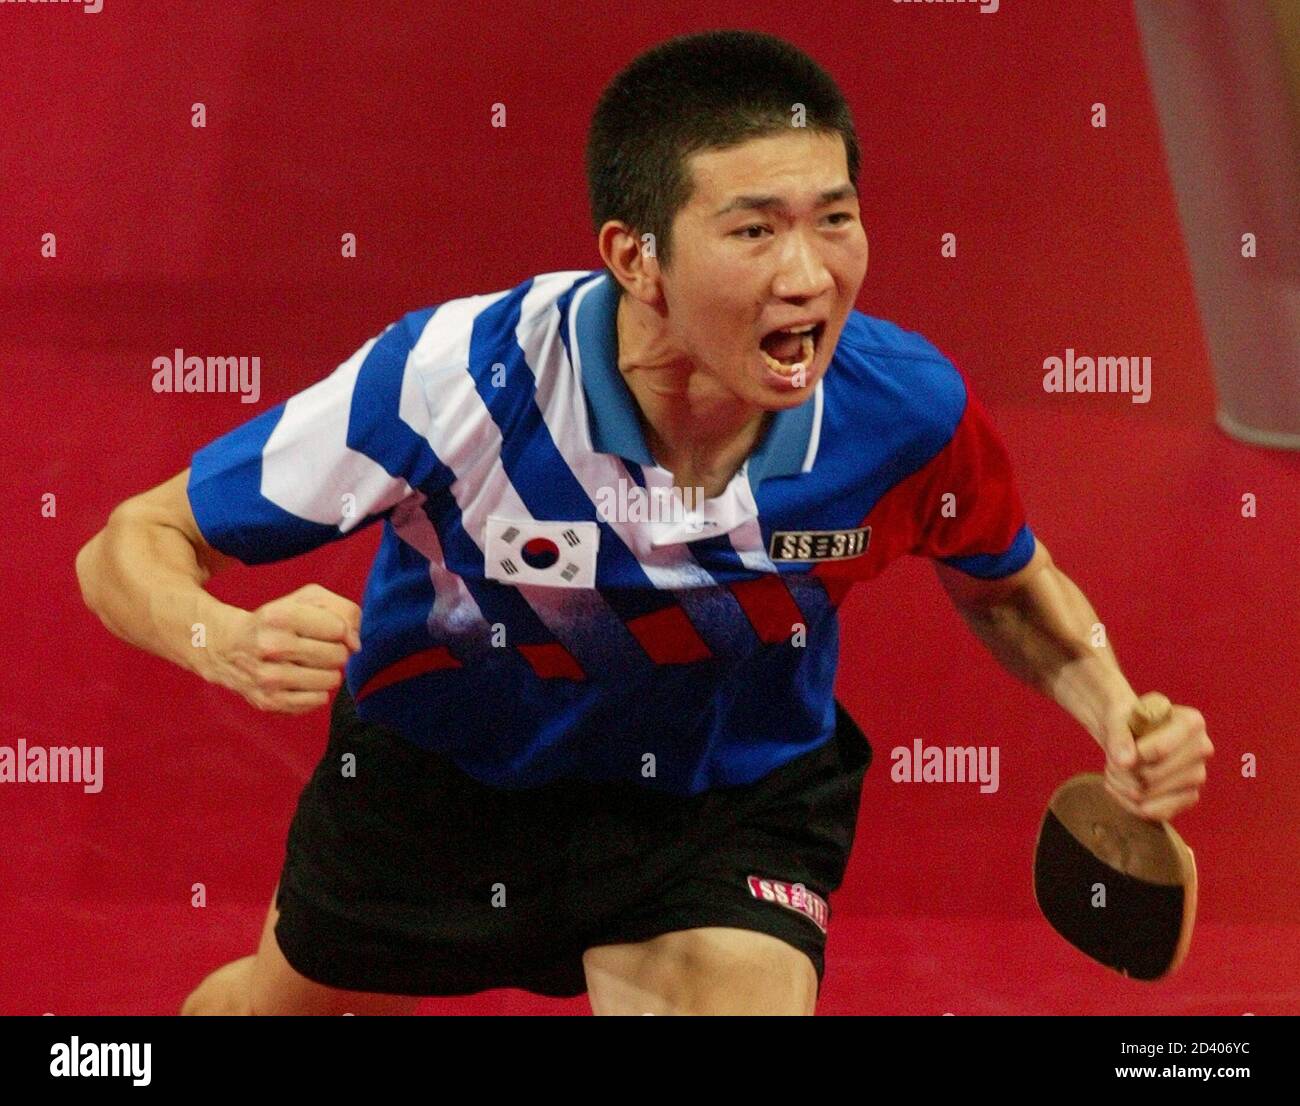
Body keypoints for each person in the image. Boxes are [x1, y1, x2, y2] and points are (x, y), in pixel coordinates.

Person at [74, 29, 1213, 1016]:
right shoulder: (458, 381)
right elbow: (132, 541)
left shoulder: (902, 414)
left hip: (726, 795)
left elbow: (1002, 579)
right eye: (754, 232)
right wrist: (218, 639)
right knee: (276, 1002)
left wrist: (1114, 707)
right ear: (636, 257)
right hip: (444, 780)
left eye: (835, 220)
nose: (810, 274)